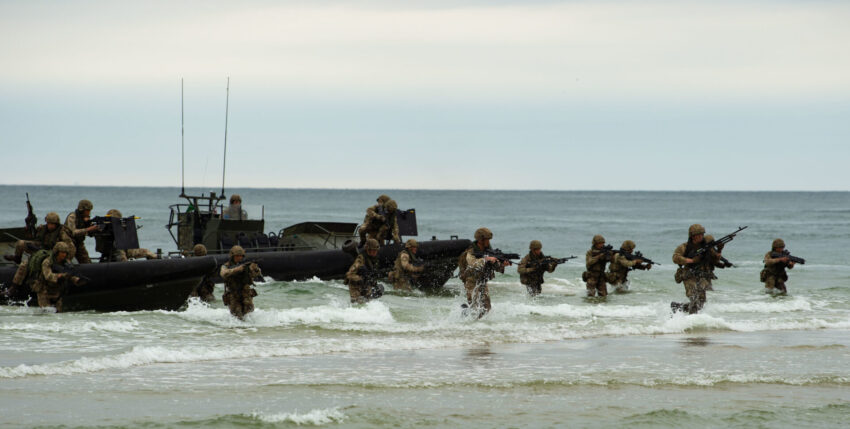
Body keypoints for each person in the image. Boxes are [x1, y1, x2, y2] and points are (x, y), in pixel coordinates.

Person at [458, 227, 509, 318]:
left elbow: (495, 266)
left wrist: (502, 265)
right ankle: (467, 317)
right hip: (471, 282)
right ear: (480, 240)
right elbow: (473, 264)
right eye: (487, 240)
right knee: (475, 308)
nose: (488, 242)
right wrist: (485, 259)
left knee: (486, 308)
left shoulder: (488, 251)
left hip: (482, 281)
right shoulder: (471, 251)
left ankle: (481, 328)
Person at [672, 224, 723, 313]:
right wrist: (691, 260)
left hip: (703, 277)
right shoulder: (684, 247)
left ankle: (678, 307)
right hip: (689, 276)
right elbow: (675, 258)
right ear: (692, 236)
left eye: (702, 234)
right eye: (698, 235)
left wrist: (719, 250)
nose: (700, 236)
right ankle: (690, 321)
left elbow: (715, 260)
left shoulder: (707, 247)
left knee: (701, 303)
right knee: (694, 299)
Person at [31, 242, 86, 312]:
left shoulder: (66, 263)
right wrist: (60, 275)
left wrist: (76, 280)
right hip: (44, 289)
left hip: (56, 290)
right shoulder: (47, 262)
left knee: (58, 313)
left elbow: (70, 274)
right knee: (46, 312)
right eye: (62, 252)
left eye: (65, 253)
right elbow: (48, 276)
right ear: (57, 252)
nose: (64, 255)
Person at [6, 212, 74, 265]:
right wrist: (29, 226)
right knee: (21, 243)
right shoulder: (42, 228)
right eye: (48, 223)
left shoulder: (61, 232)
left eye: (52, 224)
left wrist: (67, 259)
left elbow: (71, 246)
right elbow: (33, 237)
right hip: (40, 248)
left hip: (51, 253)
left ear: (56, 224)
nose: (50, 226)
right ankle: (17, 258)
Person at [220, 245, 261, 319]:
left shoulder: (246, 265)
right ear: (232, 256)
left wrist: (255, 269)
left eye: (241, 256)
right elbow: (223, 273)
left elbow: (256, 275)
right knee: (237, 315)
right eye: (237, 256)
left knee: (249, 314)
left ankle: (247, 330)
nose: (239, 258)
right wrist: (236, 270)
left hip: (246, 293)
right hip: (233, 294)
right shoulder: (226, 266)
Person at [344, 238, 384, 303]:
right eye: (372, 251)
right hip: (356, 286)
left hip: (366, 284)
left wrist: (373, 282)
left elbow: (372, 274)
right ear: (367, 250)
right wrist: (360, 279)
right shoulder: (360, 260)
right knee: (357, 303)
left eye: (375, 251)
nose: (374, 253)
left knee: (369, 302)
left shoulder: (373, 260)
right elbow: (349, 275)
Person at [64, 199, 99, 264]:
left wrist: (94, 229)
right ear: (82, 210)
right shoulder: (72, 216)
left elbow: (89, 233)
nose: (88, 213)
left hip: (79, 243)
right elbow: (73, 232)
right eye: (87, 210)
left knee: (87, 263)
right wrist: (88, 229)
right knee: (66, 262)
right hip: (68, 242)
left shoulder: (84, 219)